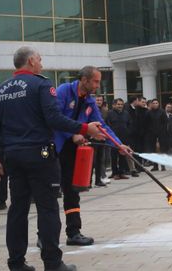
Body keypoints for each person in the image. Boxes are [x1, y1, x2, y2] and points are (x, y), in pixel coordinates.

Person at [0, 46, 124, 271]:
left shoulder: (0, 91)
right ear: (30, 61)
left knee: (17, 209)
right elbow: (54, 118)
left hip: (13, 156)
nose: (41, 63)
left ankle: (16, 264)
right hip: (40, 155)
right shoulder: (41, 85)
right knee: (47, 208)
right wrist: (84, 128)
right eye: (39, 60)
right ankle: (52, 263)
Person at [54, 66, 128, 247]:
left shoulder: (89, 101)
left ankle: (74, 232)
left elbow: (101, 126)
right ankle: (45, 236)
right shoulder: (63, 91)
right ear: (84, 80)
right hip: (55, 148)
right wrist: (73, 134)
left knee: (72, 192)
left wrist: (118, 145)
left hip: (73, 149)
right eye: (95, 81)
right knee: (50, 193)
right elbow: (54, 119)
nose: (98, 85)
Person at [105, 98, 132, 180]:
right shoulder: (110, 114)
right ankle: (115, 173)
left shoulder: (126, 114)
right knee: (113, 156)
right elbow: (107, 125)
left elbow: (129, 124)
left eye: (121, 104)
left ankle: (121, 172)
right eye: (118, 104)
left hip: (124, 138)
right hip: (113, 139)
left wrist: (128, 133)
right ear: (114, 105)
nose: (120, 106)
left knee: (122, 156)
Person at [91, 96, 111, 187]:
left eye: (100, 100)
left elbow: (107, 124)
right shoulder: (90, 110)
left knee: (100, 160)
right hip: (92, 138)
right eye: (97, 100)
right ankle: (88, 181)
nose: (99, 101)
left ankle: (98, 180)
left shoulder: (105, 111)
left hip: (102, 138)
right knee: (92, 161)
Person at [143, 98, 168, 171]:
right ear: (151, 104)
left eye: (156, 103)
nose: (155, 104)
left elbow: (165, 123)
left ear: (158, 104)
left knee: (162, 150)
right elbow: (146, 123)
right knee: (153, 150)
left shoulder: (162, 112)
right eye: (153, 103)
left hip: (161, 134)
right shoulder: (148, 112)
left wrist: (163, 132)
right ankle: (155, 166)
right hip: (152, 134)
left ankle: (163, 165)